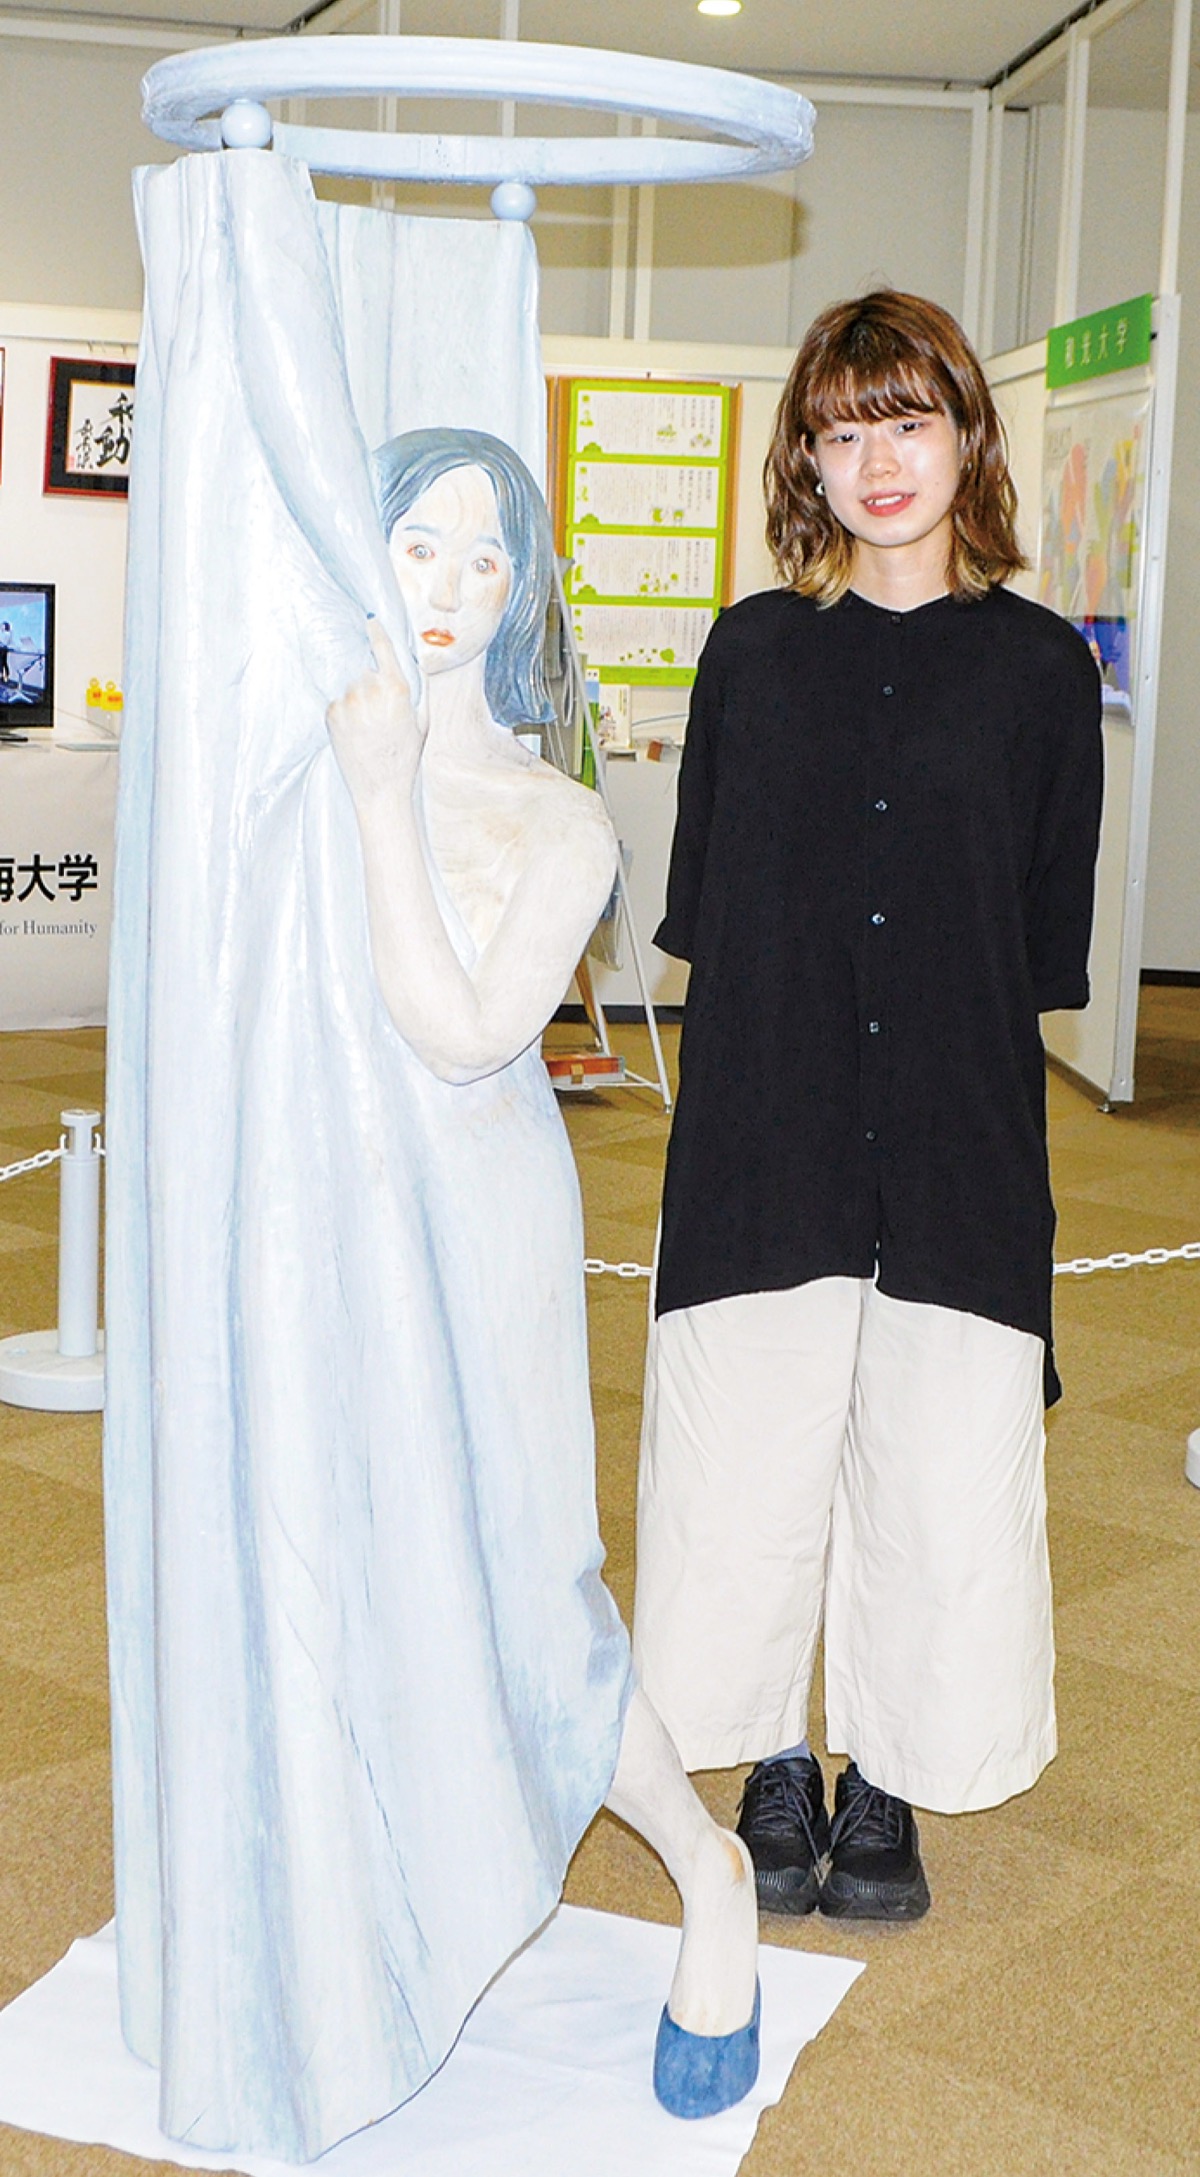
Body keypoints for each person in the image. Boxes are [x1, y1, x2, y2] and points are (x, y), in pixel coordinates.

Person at [632, 292, 1103, 1925]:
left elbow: (1040, 938)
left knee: (941, 1465)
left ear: (969, 435)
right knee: (747, 1457)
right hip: (768, 1120)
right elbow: (705, 906)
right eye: (842, 431)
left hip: (962, 1132)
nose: (878, 460)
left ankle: (888, 1771)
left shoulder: (1042, 671)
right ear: (805, 462)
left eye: (908, 420)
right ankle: (773, 1757)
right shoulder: (752, 651)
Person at [326, 427, 759, 2140]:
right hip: (329, 1223)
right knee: (358, 1554)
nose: (446, 586)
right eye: (414, 544)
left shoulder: (559, 819)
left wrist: (381, 798)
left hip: (478, 1223)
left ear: (523, 595)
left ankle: (707, 1865)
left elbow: (458, 1036)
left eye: (485, 556)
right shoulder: (321, 754)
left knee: (527, 1590)